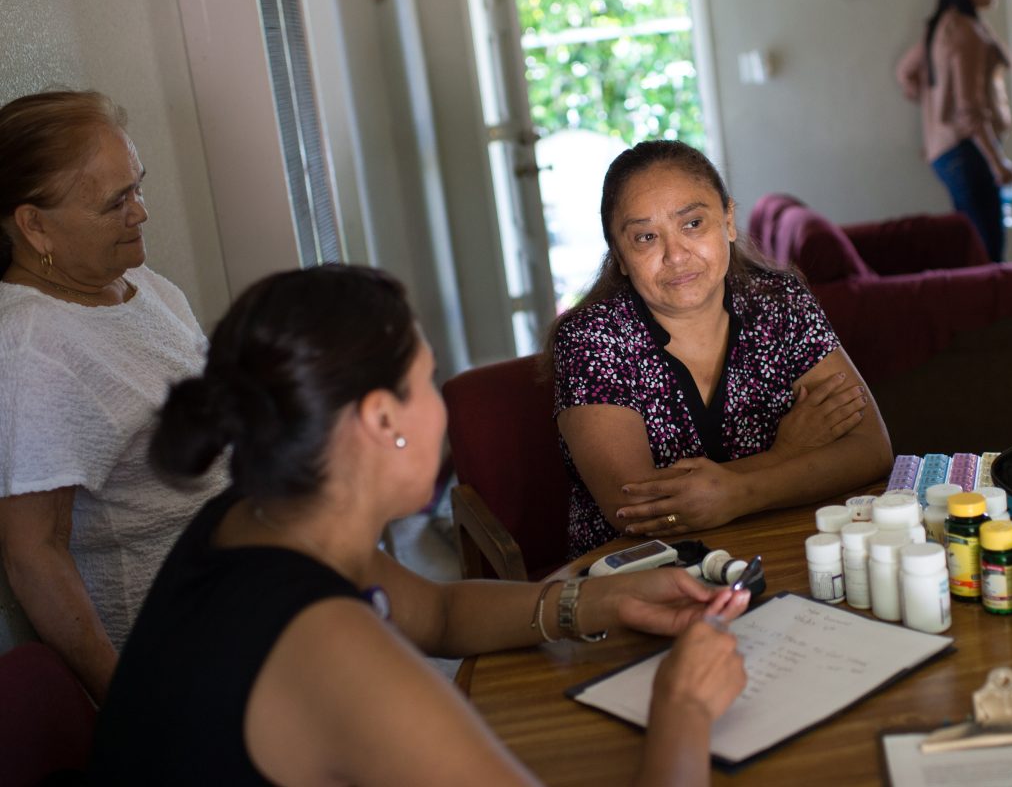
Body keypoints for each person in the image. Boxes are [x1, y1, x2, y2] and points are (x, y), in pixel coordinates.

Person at [89, 265, 750, 785]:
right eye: (430, 381)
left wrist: (600, 599)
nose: (443, 409)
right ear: (382, 420)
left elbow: (434, 612)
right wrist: (685, 706)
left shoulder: (254, 518)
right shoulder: (332, 649)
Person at [550, 140, 893, 559]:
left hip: (782, 550)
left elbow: (871, 449)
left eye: (693, 224)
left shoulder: (781, 301)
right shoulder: (591, 338)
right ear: (620, 255)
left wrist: (740, 492)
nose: (676, 255)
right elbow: (638, 511)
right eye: (645, 237)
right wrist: (785, 455)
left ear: (728, 221)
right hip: (640, 580)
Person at [0, 89, 227, 703]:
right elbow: (34, 555)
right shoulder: (32, 344)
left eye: (138, 187)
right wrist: (128, 705)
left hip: (244, 598)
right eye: (115, 202)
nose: (141, 213)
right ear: (34, 224)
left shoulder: (140, 286)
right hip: (179, 650)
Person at [895, 0, 1012, 262]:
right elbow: (970, 111)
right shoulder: (965, 31)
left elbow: (905, 73)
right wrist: (998, 163)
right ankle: (990, 309)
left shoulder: (941, 25)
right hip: (967, 152)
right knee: (989, 253)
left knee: (975, 248)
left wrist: (934, 107)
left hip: (948, 154)